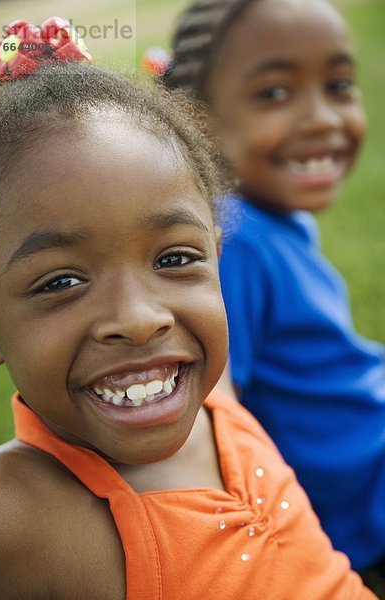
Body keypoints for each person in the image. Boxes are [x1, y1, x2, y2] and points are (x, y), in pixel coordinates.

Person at [0, 17, 377, 600]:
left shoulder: (215, 398)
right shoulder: (20, 514)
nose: (141, 319)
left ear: (217, 258)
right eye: (61, 281)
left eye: (173, 260)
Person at [163, 0, 385, 576]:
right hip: (363, 496)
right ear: (199, 118)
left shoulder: (269, 222)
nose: (322, 119)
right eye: (275, 94)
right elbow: (214, 406)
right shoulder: (234, 241)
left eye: (339, 84)